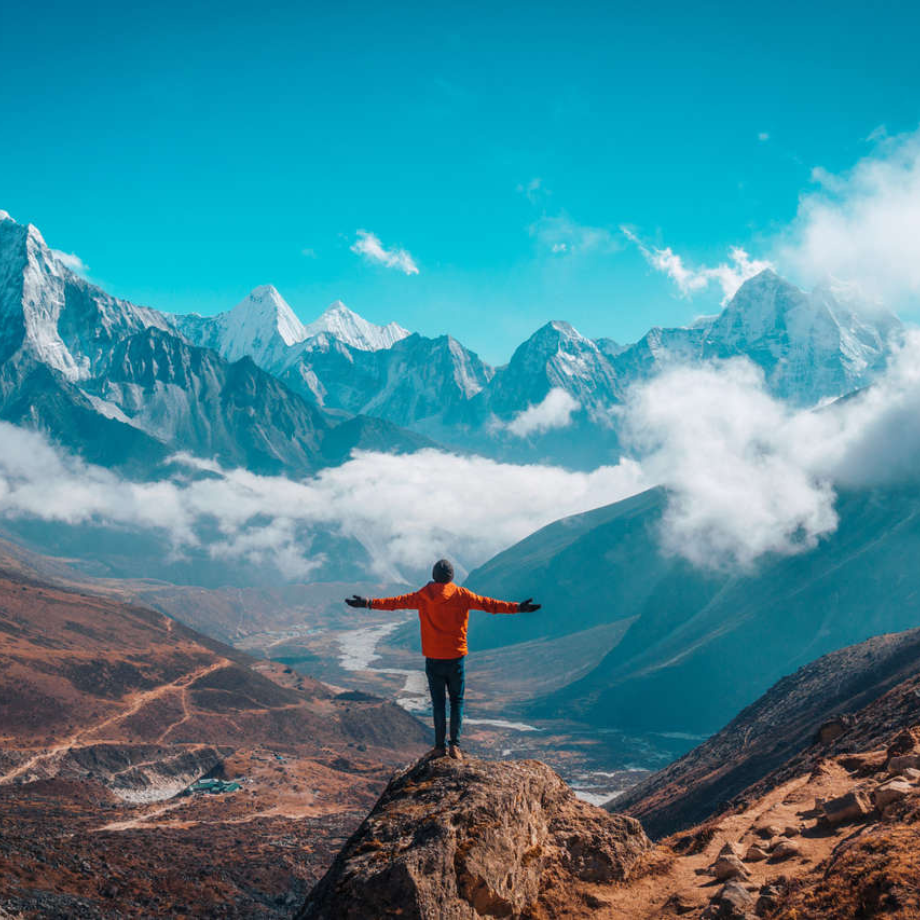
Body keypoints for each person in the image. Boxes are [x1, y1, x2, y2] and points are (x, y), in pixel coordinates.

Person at [345, 559, 540, 760]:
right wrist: (517, 608)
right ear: (451, 577)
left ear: (434, 576)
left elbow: (394, 603)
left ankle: (439, 747)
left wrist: (367, 603)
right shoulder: (462, 595)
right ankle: (454, 746)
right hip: (456, 658)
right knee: (457, 701)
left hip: (433, 659)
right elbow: (490, 605)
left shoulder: (422, 596)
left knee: (438, 703)